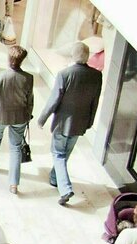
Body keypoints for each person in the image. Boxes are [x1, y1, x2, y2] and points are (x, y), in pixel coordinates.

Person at [37, 41, 103, 206]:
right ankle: (54, 178)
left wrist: (42, 118)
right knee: (65, 154)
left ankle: (65, 189)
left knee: (59, 155)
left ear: (73, 55)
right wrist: (89, 122)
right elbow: (94, 102)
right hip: (80, 124)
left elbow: (54, 100)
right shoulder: (96, 76)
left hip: (62, 123)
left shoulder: (64, 74)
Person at [0, 45, 33, 194]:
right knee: (15, 148)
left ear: (9, 59)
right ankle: (13, 183)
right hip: (20, 117)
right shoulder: (28, 78)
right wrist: (28, 114)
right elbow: (30, 100)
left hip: (1, 115)